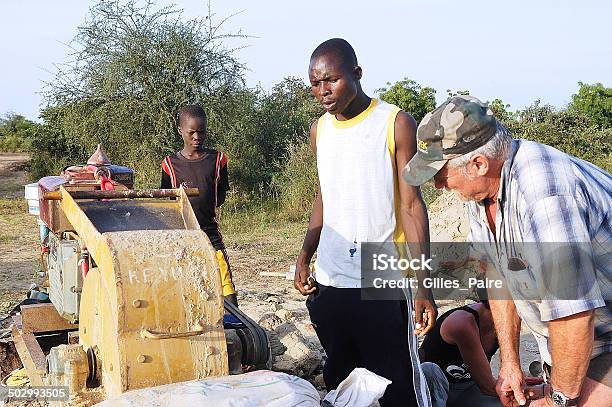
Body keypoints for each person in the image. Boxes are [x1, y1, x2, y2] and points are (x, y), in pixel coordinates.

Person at [403, 95, 611, 407]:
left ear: (477, 164)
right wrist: (510, 364)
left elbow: (574, 314)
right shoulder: (482, 192)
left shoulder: (547, 195)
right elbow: (500, 276)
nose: (438, 185)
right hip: (582, 336)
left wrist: (559, 400)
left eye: (441, 174)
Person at [294, 38, 437, 407]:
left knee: (397, 388)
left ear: (357, 74)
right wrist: (304, 255)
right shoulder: (319, 131)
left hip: (382, 278)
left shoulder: (395, 123)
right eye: (315, 83)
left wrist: (424, 285)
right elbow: (324, 197)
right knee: (344, 387)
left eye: (332, 80)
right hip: (330, 279)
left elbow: (411, 206)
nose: (323, 91)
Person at [161, 104, 237, 305]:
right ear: (180, 131)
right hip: (182, 236)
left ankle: (233, 327)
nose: (197, 137)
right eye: (191, 132)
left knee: (226, 287)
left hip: (210, 234)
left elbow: (220, 196)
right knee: (186, 285)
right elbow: (167, 202)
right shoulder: (170, 164)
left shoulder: (218, 159)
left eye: (201, 132)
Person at [420, 296, 501, 407]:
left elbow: (502, 377)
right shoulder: (461, 323)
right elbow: (487, 385)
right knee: (429, 369)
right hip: (434, 391)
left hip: (468, 388)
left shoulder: (505, 325)